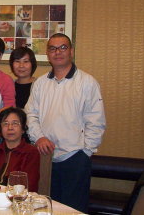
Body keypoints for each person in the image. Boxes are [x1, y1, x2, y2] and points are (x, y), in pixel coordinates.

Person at [25, 33, 106, 213]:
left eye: (63, 47)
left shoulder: (87, 82)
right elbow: (31, 114)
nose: (58, 52)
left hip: (75, 158)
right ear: (47, 53)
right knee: (44, 207)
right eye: (53, 48)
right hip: (44, 157)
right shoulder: (40, 83)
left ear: (71, 51)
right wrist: (38, 138)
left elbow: (96, 121)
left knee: (72, 210)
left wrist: (85, 152)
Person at [0, 107, 40, 191]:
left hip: (18, 199)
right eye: (5, 124)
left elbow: (29, 185)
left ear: (23, 129)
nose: (10, 128)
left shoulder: (31, 153)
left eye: (15, 123)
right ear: (0, 129)